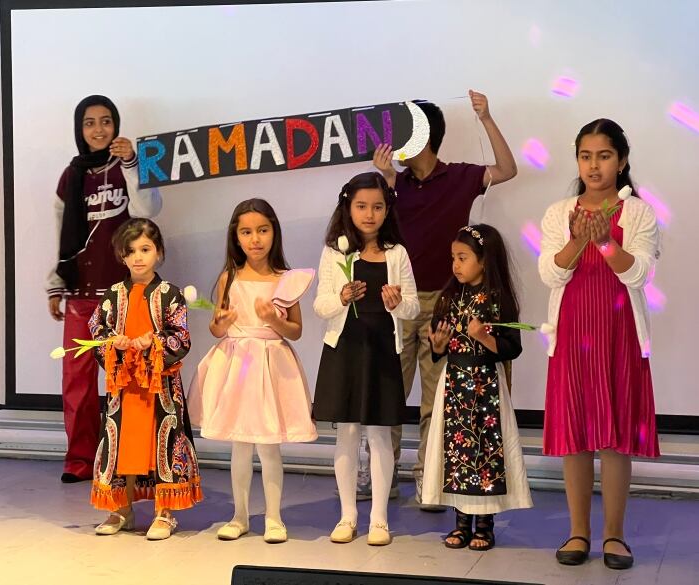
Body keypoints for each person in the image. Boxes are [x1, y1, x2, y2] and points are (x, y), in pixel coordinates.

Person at [372, 90, 518, 507]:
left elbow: (507, 168)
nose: (392, 141)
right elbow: (375, 229)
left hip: (443, 304)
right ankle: (383, 474)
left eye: (401, 132)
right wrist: (384, 180)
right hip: (397, 301)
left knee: (437, 398)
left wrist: (487, 118)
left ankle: (429, 478)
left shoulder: (459, 176)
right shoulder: (392, 184)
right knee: (388, 392)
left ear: (422, 136)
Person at [539, 119, 660, 570]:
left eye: (604, 156)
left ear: (622, 161)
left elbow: (640, 274)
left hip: (619, 333)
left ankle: (614, 536)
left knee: (614, 439)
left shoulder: (639, 213)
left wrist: (607, 241)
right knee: (575, 437)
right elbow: (551, 274)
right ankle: (577, 532)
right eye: (586, 156)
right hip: (571, 333)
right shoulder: (559, 212)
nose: (594, 165)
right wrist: (576, 240)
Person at [46, 95, 161, 483]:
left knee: (130, 379)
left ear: (116, 125)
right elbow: (61, 235)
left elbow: (149, 209)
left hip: (125, 293)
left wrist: (132, 163)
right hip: (80, 293)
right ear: (80, 130)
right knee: (76, 383)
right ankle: (79, 460)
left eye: (106, 121)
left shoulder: (132, 163)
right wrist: (55, 285)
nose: (98, 130)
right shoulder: (70, 175)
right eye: (89, 123)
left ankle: (129, 459)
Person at [187, 199, 317, 544]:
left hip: (271, 364)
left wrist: (275, 319)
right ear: (236, 236)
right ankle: (240, 515)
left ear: (274, 232)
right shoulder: (229, 277)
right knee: (241, 443)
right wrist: (223, 323)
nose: (255, 239)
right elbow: (217, 327)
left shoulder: (285, 280)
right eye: (247, 232)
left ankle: (274, 517)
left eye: (262, 230)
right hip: (239, 365)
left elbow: (296, 331)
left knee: (269, 444)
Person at [312, 172, 419, 546]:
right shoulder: (335, 251)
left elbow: (413, 306)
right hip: (345, 349)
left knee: (379, 435)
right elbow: (321, 306)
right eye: (361, 206)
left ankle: (378, 519)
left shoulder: (397, 252)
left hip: (381, 351)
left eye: (377, 207)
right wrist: (342, 296)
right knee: (347, 433)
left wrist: (397, 303)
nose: (369, 214)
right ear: (348, 207)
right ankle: (347, 516)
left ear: (387, 209)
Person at [88, 218, 202, 540]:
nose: (138, 257)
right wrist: (115, 342)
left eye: (145, 249)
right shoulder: (112, 295)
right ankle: (121, 509)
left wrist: (153, 343)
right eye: (131, 251)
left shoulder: (171, 295)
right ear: (122, 257)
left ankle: (164, 513)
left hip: (159, 387)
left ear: (158, 252)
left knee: (160, 444)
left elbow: (180, 336)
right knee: (123, 444)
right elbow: (97, 332)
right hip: (124, 386)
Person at [422, 224, 533, 551]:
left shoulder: (499, 300)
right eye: (453, 258)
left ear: (483, 261)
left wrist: (484, 337)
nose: (455, 265)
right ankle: (460, 524)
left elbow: (513, 347)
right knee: (456, 453)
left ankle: (485, 526)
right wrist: (439, 346)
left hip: (486, 388)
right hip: (455, 384)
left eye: (463, 257)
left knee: (485, 454)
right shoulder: (449, 297)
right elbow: (437, 344)